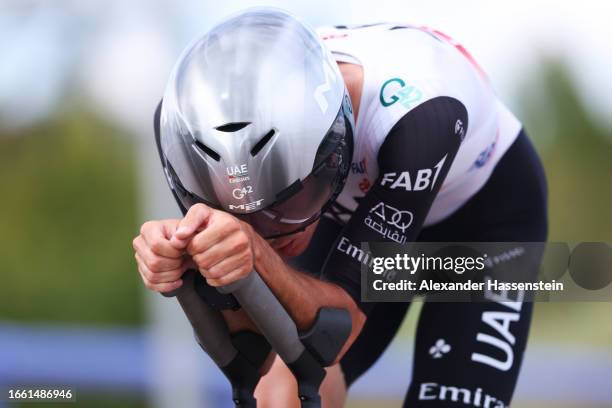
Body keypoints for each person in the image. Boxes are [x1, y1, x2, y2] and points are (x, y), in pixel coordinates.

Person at [132, 8, 547, 407]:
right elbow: (251, 354)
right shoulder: (183, 127)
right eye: (248, 215)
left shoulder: (421, 118)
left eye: (286, 201)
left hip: (482, 222)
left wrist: (255, 251)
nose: (273, 230)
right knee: (285, 392)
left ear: (335, 145)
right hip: (352, 210)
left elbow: (337, 331)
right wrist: (186, 262)